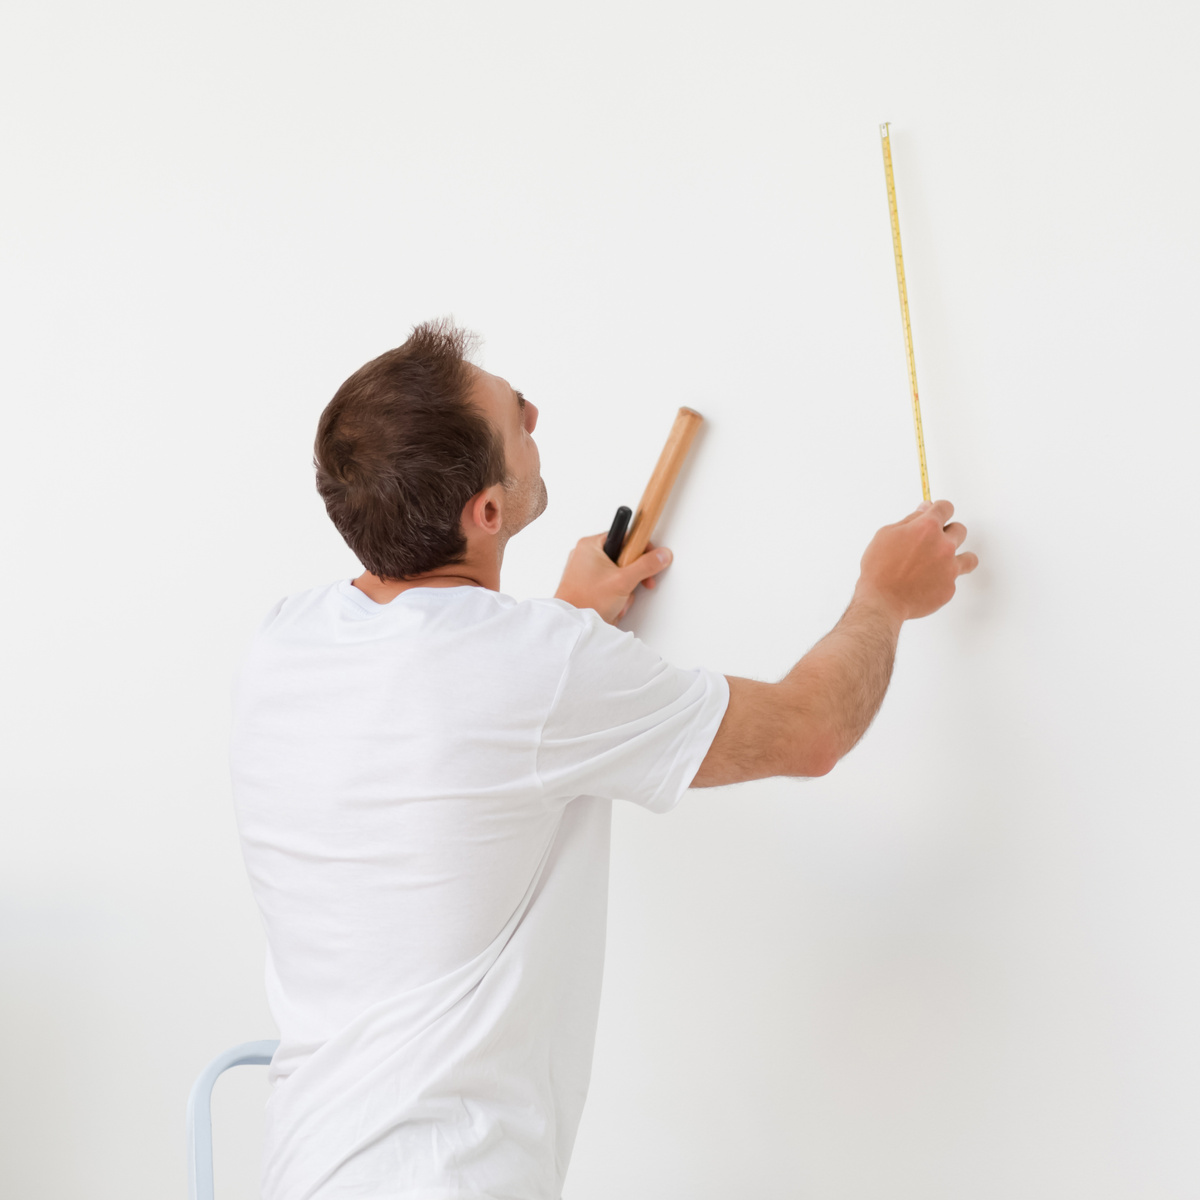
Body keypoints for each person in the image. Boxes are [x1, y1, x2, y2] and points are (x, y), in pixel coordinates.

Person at [231, 319, 977, 1200]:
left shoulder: (284, 643)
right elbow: (812, 730)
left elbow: (449, 731)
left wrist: (568, 621)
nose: (534, 413)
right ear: (487, 513)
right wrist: (884, 596)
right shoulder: (538, 670)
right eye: (517, 412)